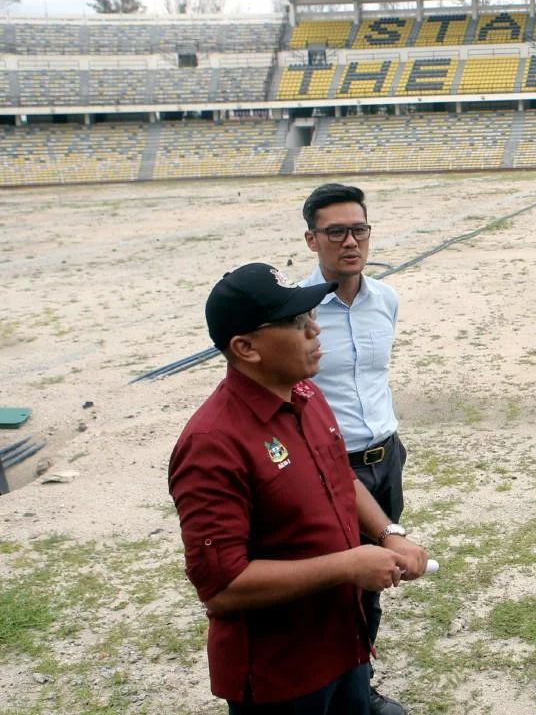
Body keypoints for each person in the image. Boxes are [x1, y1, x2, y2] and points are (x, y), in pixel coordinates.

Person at [169, 262, 429, 715]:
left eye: (309, 316)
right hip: (282, 675)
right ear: (245, 348)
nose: (314, 328)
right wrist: (347, 565)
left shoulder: (305, 394)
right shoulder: (213, 445)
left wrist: (388, 532)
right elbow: (222, 587)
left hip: (344, 643)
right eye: (294, 322)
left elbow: (340, 477)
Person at [297, 183, 409, 715]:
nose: (350, 241)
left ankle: (360, 684)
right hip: (330, 467)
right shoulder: (295, 311)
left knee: (377, 577)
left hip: (386, 457)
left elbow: (376, 378)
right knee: (338, 582)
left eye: (358, 229)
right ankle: (339, 690)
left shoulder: (385, 299)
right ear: (311, 239)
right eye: (335, 231)